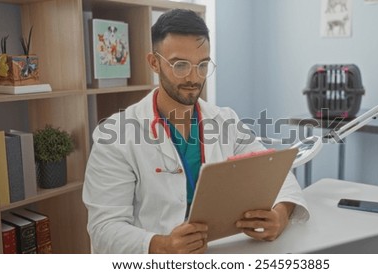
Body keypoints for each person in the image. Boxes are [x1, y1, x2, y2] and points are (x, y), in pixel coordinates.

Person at [82, 9, 309, 254]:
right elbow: (103, 228)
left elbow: (274, 170)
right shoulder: (115, 135)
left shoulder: (224, 120)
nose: (193, 77)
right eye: (180, 65)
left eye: (202, 65)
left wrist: (281, 214)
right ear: (154, 62)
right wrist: (162, 245)